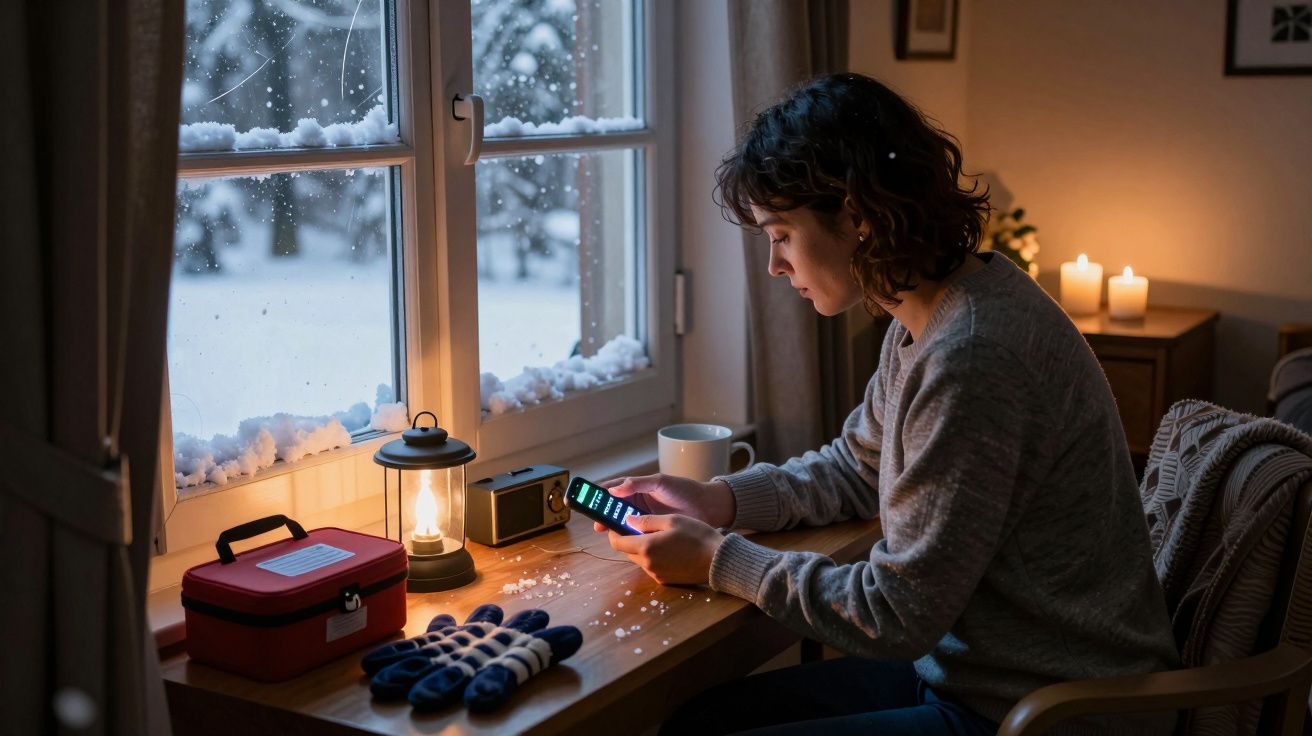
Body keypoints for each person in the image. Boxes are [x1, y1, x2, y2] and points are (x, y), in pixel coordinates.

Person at [591, 73, 1179, 735]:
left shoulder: (971, 356)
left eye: (781, 235)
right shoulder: (932, 313)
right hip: (975, 674)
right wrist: (718, 500)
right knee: (700, 721)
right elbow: (857, 465)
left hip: (1047, 712)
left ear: (857, 216)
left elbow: (897, 611)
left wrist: (717, 559)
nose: (774, 267)